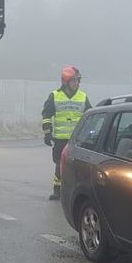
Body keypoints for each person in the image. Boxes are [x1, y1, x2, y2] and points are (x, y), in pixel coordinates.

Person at [41, 66, 88, 200]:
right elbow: (47, 115)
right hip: (60, 139)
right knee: (59, 164)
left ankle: (75, 190)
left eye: (78, 81)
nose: (77, 84)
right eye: (75, 81)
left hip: (78, 140)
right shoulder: (55, 96)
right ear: (66, 81)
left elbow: (89, 116)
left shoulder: (83, 96)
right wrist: (47, 133)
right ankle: (58, 190)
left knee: (79, 166)